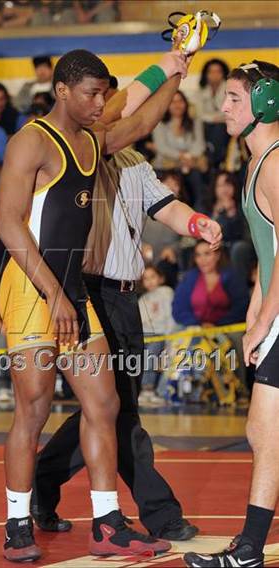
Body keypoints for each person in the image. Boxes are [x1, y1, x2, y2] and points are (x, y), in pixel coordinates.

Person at [0, 47, 191, 562]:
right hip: (31, 285)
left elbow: (145, 116)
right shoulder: (30, 142)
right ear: (63, 91)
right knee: (33, 409)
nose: (102, 102)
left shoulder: (94, 140)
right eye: (93, 93)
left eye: (105, 93)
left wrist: (176, 69)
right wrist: (55, 294)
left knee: (103, 404)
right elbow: (8, 224)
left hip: (70, 290)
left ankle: (106, 522)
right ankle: (17, 523)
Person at [32, 145, 221, 540]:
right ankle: (161, 513)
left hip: (124, 296)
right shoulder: (76, 154)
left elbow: (166, 206)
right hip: (86, 293)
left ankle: (40, 481)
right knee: (120, 412)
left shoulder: (135, 162)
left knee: (105, 409)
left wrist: (198, 222)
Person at [184, 60, 279, 568]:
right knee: (264, 431)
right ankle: (249, 549)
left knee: (265, 430)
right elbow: (271, 250)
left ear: (265, 102)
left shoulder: (277, 163)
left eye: (235, 98)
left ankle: (248, 550)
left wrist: (264, 320)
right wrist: (254, 311)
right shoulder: (256, 163)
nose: (223, 106)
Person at [152, 90, 207, 209]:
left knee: (197, 178)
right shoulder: (160, 124)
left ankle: (199, 213)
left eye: (180, 101)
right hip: (165, 166)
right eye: (173, 102)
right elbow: (162, 147)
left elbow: (199, 145)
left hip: (191, 164)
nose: (177, 105)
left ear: (186, 104)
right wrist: (181, 157)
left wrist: (188, 157)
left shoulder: (195, 122)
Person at [138, 266, 176, 406]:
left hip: (160, 334)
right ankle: (142, 389)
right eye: (146, 278)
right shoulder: (143, 299)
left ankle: (148, 389)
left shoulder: (166, 292)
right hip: (144, 335)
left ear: (161, 278)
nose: (149, 281)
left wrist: (169, 338)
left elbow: (170, 316)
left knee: (151, 357)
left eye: (152, 277)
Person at [195, 58, 230, 168]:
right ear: (206, 74)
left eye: (218, 71)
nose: (214, 75)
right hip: (206, 128)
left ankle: (211, 158)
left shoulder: (230, 90)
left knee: (219, 127)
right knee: (200, 125)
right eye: (211, 71)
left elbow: (229, 113)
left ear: (224, 73)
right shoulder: (200, 92)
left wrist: (215, 118)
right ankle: (211, 156)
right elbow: (199, 115)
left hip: (226, 128)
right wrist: (215, 118)